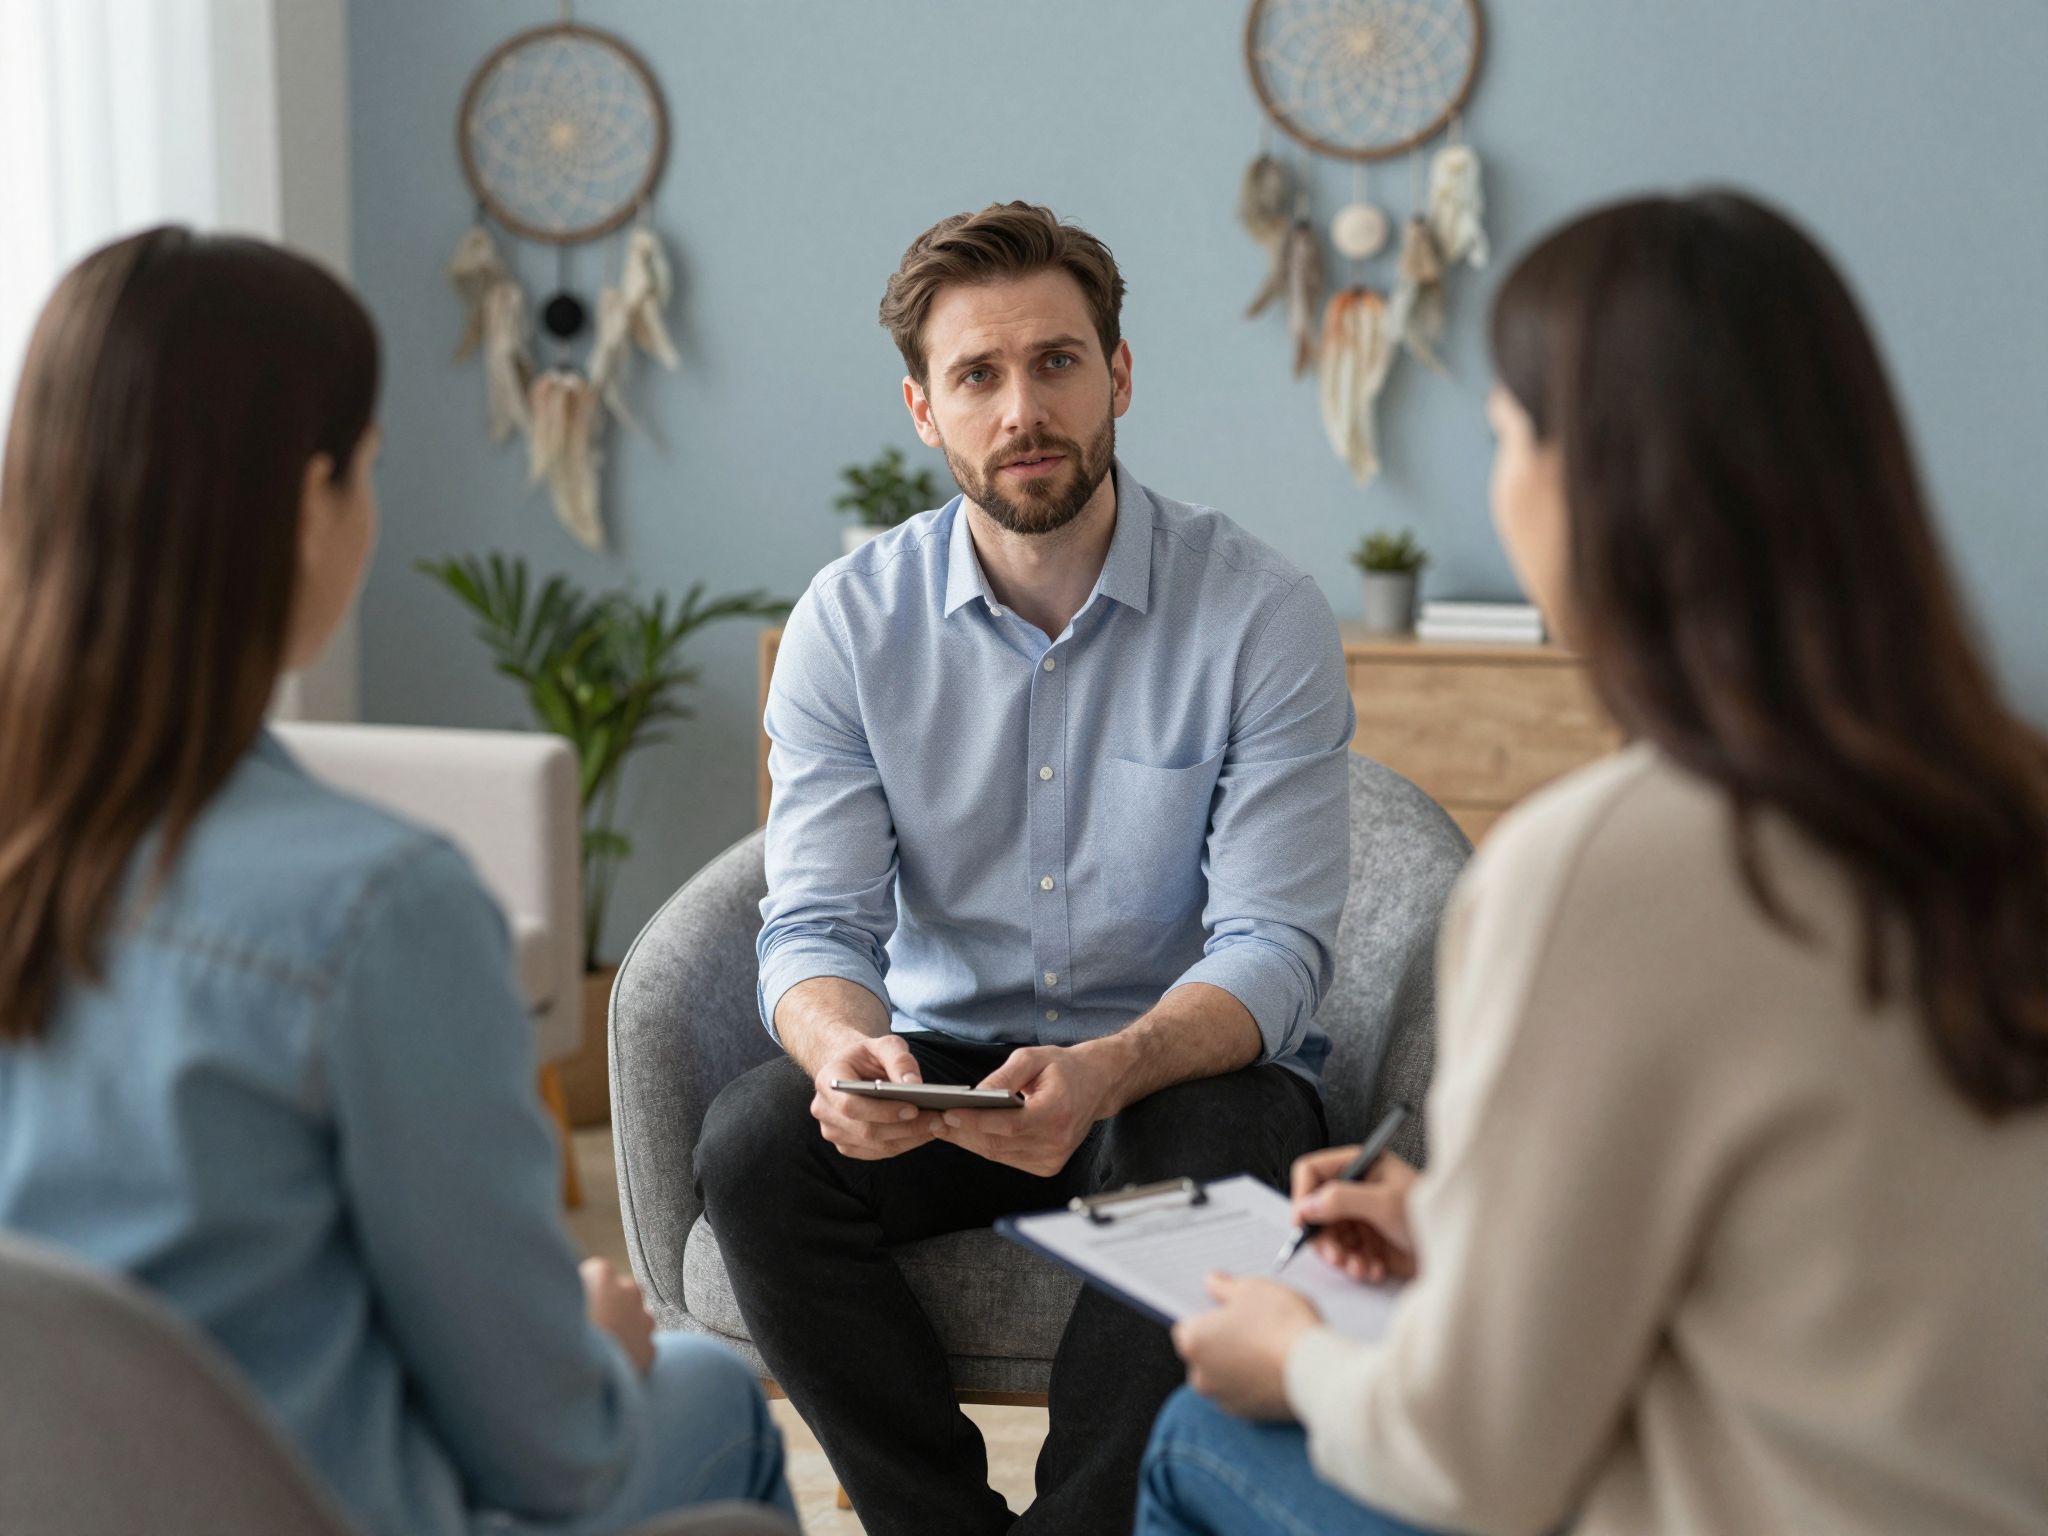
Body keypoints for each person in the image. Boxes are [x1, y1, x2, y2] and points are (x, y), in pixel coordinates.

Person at [1137, 189, 2048, 1536]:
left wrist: (1293, 1359)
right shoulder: (2006, 805)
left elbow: (1473, 1461)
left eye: (1505, 439)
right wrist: (1457, 1223)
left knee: (1200, 1433)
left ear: (1594, 482)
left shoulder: (1609, 865)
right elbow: (1822, 1255)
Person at [0, 228, 795, 1536]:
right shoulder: (380, 914)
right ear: (305, 505)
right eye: (367, 471)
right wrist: (599, 1345)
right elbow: (560, 1455)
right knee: (703, 1385)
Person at [694, 201, 1354, 1535]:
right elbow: (814, 920)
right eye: (977, 377)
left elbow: (1276, 946)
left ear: (1118, 375)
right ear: (923, 409)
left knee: (1237, 1131)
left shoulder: (1261, 613)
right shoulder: (850, 623)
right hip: (948, 1077)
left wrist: (1114, 1066)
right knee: (758, 1143)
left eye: (1055, 362)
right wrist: (844, 1052)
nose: (1022, 410)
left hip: (1172, 1080)